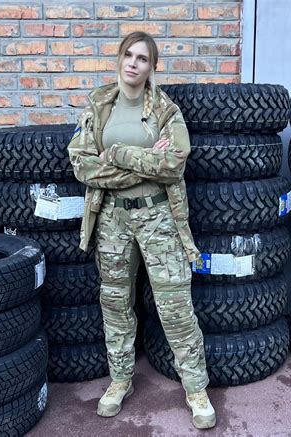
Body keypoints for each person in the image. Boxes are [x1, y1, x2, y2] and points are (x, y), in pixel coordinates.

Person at [68, 31, 216, 430]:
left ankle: (196, 389)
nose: (134, 63)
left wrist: (117, 154)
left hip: (159, 219)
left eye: (143, 58)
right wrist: (146, 159)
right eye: (129, 55)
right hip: (112, 219)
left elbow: (174, 163)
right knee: (115, 303)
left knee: (175, 306)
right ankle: (120, 380)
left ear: (152, 67)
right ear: (119, 58)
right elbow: (82, 165)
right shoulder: (99, 105)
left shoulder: (166, 110)